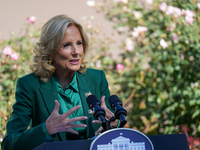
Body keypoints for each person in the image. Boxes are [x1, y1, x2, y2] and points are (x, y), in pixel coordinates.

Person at [1, 14, 118, 150]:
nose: (76, 52)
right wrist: (46, 129)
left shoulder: (97, 78)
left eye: (79, 43)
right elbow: (9, 143)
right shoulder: (30, 85)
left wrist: (114, 124)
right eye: (66, 45)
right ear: (50, 51)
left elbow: (112, 130)